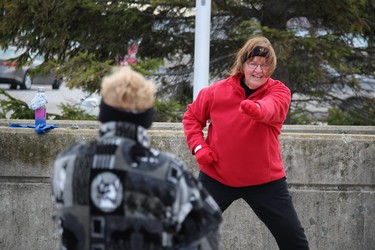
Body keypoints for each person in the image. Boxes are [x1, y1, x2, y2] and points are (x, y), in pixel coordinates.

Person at [51, 66, 222, 250]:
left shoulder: (67, 162)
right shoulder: (169, 171)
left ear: (102, 112)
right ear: (147, 118)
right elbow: (207, 232)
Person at [182, 36, 309, 250]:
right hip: (217, 177)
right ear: (242, 64)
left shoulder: (279, 91)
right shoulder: (216, 91)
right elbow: (192, 117)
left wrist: (256, 109)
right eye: (253, 64)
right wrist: (198, 146)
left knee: (293, 240)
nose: (259, 70)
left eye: (265, 65)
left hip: (265, 182)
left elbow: (272, 108)